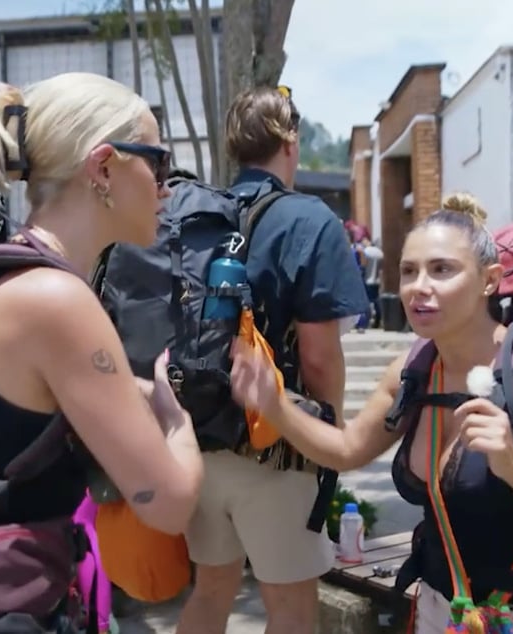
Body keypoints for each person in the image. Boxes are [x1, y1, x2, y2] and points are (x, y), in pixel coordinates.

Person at [229, 194, 513, 633]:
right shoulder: (414, 368)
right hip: (443, 612)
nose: (417, 287)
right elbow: (348, 450)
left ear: (490, 280)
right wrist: (274, 405)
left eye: (442, 269)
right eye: (409, 271)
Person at [0, 74, 203, 627]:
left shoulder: (4, 271)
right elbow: (170, 500)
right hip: (8, 609)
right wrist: (173, 417)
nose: (167, 186)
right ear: (104, 167)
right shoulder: (56, 299)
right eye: (157, 163)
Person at [175, 86, 367, 634]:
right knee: (289, 607)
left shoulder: (200, 214)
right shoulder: (309, 219)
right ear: (290, 140)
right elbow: (320, 357)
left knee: (211, 592)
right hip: (277, 446)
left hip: (198, 435)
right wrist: (329, 435)